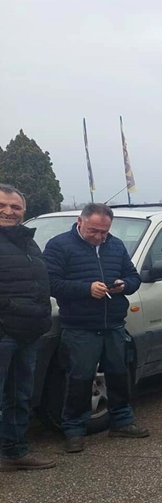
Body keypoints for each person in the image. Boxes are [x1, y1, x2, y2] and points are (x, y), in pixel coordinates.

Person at [43, 203, 148, 453]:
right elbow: (51, 283)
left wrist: (124, 285)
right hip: (80, 327)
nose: (99, 236)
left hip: (113, 324)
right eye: (94, 231)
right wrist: (86, 289)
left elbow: (134, 277)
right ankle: (74, 429)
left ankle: (122, 421)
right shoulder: (59, 246)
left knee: (119, 376)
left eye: (104, 231)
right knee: (79, 379)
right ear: (80, 222)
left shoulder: (116, 245)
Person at [0, 184, 55, 472]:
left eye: (15, 207)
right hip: (4, 332)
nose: (8, 211)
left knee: (19, 395)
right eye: (2, 205)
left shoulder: (28, 242)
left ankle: (15, 450)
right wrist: (12, 311)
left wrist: (40, 315)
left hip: (28, 333)